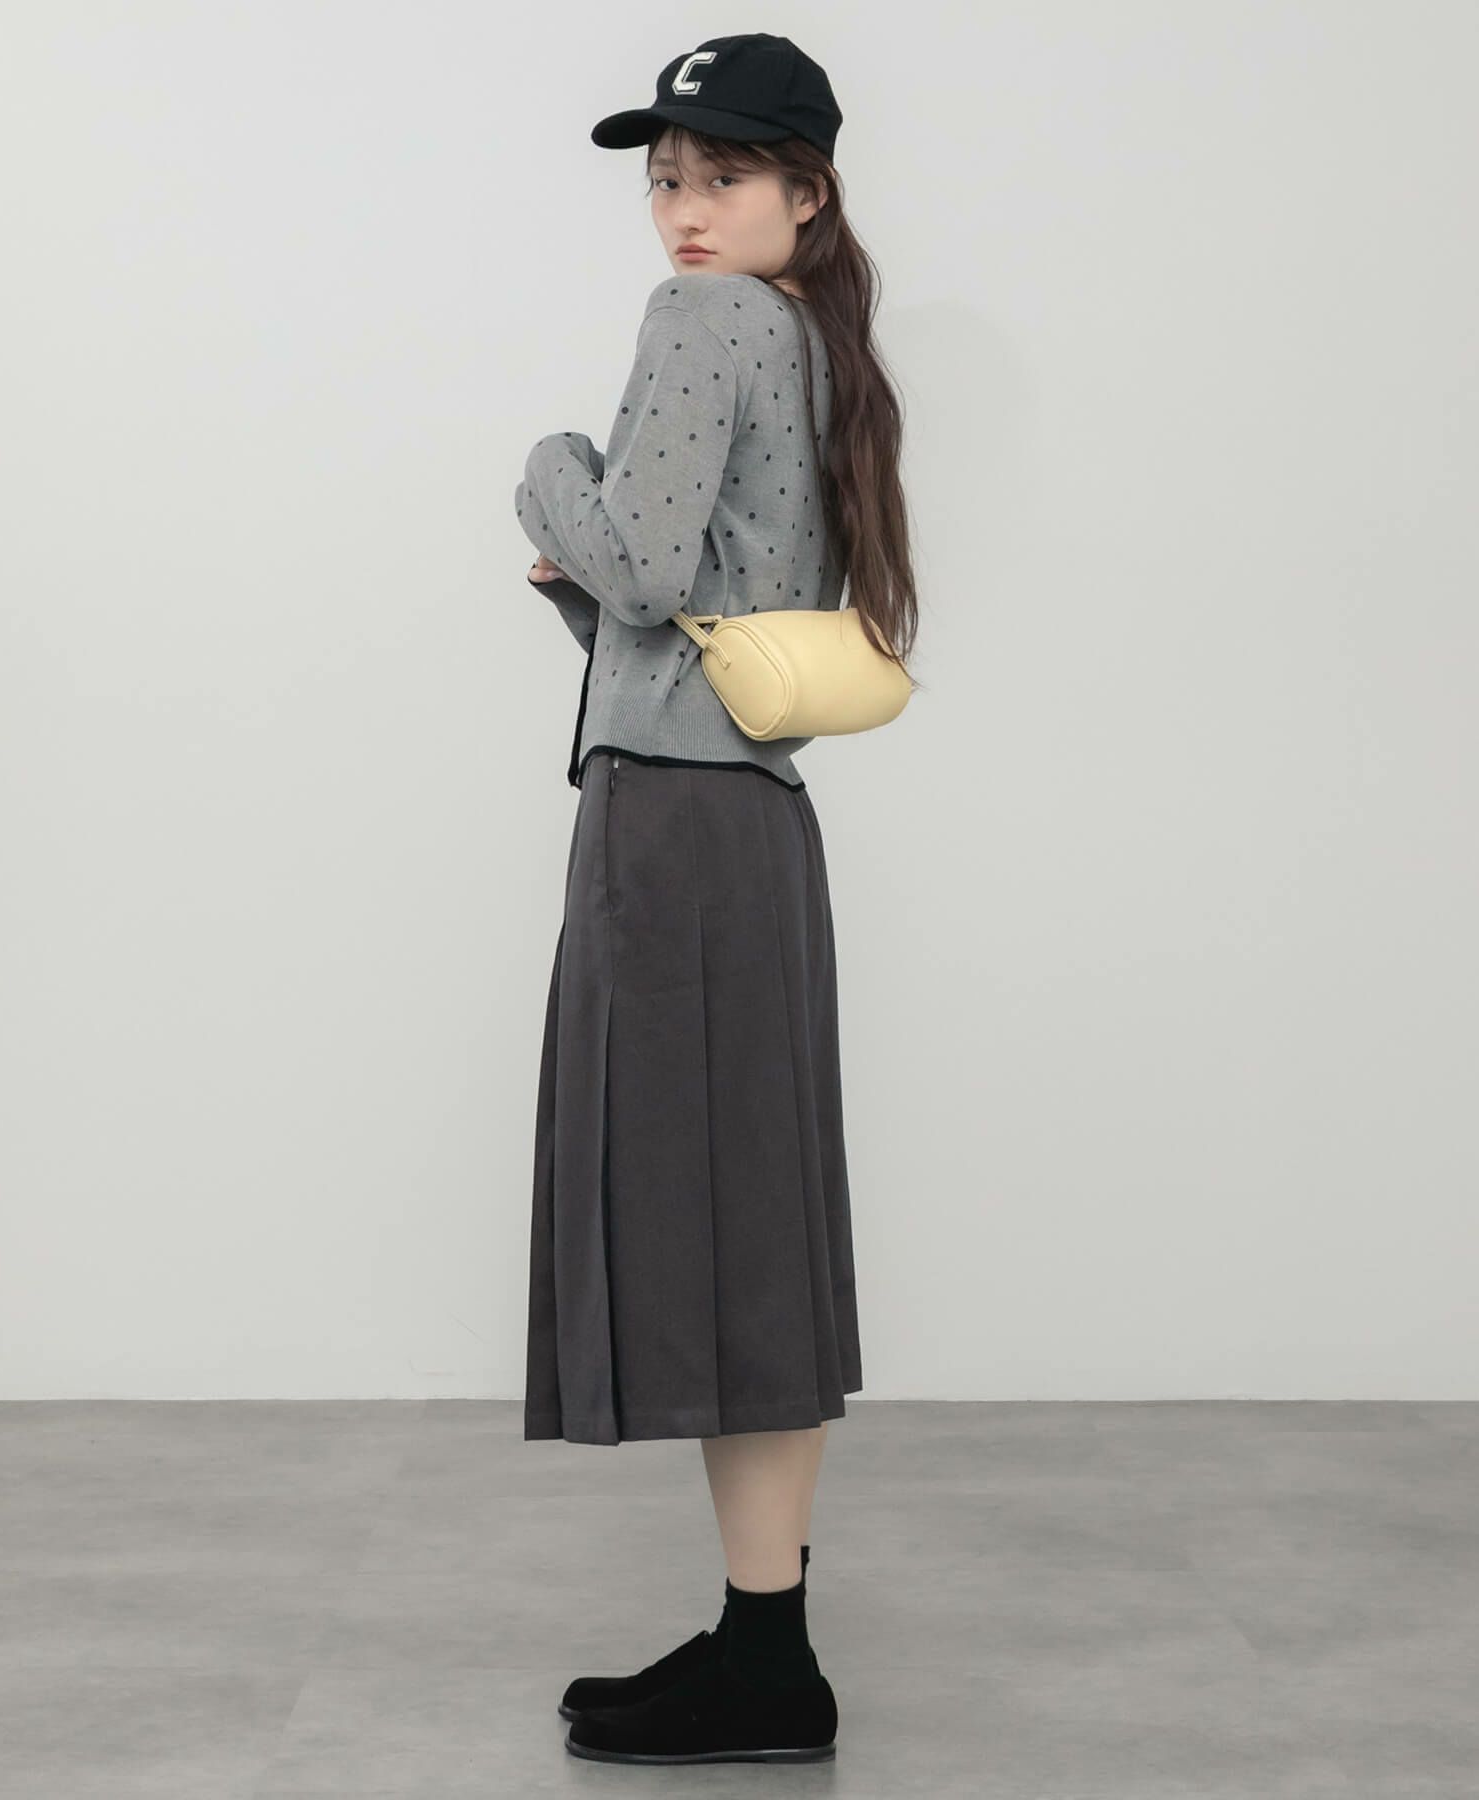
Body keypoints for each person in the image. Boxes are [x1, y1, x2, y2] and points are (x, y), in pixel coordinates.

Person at [512, 32, 920, 1765]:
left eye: (724, 175)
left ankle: (769, 1660)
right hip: (752, 820)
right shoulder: (823, 341)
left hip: (674, 834)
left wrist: (547, 467)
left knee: (704, 1223)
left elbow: (644, 559)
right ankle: (767, 1645)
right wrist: (594, 580)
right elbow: (700, 599)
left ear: (806, 192)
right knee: (752, 1228)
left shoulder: (704, 319)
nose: (684, 209)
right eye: (667, 179)